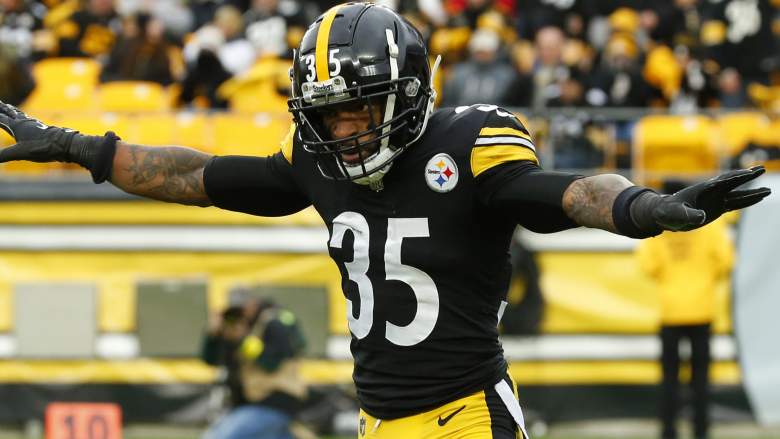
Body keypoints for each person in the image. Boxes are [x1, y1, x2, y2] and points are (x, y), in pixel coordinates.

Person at [0, 3, 771, 438]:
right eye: (329, 117)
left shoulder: (464, 144)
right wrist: (77, 146)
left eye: (360, 110)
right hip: (379, 421)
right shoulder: (312, 163)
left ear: (406, 93)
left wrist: (646, 207)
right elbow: (192, 174)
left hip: (467, 418)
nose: (346, 133)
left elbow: (565, 192)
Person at [636, 181, 735, 439]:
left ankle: (668, 431)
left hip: (671, 312)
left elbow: (647, 265)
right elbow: (725, 262)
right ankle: (700, 431)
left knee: (669, 379)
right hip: (702, 310)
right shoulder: (711, 224)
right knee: (700, 380)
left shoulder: (661, 227)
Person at [202, 295, 309, 439]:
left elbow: (271, 364)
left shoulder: (272, 324)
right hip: (247, 406)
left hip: (275, 403)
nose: (239, 317)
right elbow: (211, 360)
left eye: (241, 310)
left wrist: (243, 340)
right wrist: (213, 335)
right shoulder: (233, 332)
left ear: (253, 304)